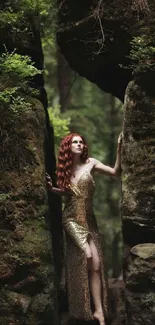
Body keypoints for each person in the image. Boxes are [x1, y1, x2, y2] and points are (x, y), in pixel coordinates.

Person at [46, 132, 122, 325]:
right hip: (71, 219)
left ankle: (98, 312)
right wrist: (52, 189)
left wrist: (120, 149)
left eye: (81, 142)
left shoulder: (92, 163)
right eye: (75, 142)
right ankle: (81, 307)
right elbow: (67, 194)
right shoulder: (65, 169)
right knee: (87, 256)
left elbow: (115, 172)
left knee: (96, 266)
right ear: (68, 147)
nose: (79, 144)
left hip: (89, 220)